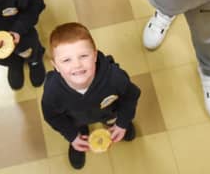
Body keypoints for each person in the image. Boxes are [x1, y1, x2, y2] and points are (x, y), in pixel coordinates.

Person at [41, 22, 140, 170]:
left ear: (94, 55)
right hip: (76, 120)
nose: (77, 65)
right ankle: (80, 136)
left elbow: (131, 95)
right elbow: (52, 116)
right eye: (66, 60)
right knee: (78, 130)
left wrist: (123, 122)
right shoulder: (52, 92)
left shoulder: (114, 77)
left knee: (114, 120)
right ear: (55, 66)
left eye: (83, 56)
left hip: (109, 112)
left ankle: (114, 124)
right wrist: (72, 135)